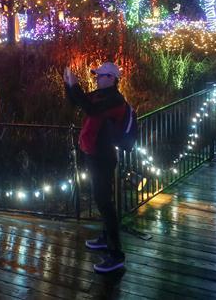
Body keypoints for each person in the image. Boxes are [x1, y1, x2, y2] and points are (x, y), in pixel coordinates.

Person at [64, 61, 132, 274]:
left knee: (105, 202)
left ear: (111, 79)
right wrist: (68, 85)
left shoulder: (114, 100)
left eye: (100, 76)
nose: (96, 78)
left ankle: (116, 255)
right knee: (101, 200)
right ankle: (105, 238)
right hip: (94, 154)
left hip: (103, 156)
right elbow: (79, 102)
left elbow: (90, 108)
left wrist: (75, 85)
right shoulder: (101, 95)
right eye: (96, 75)